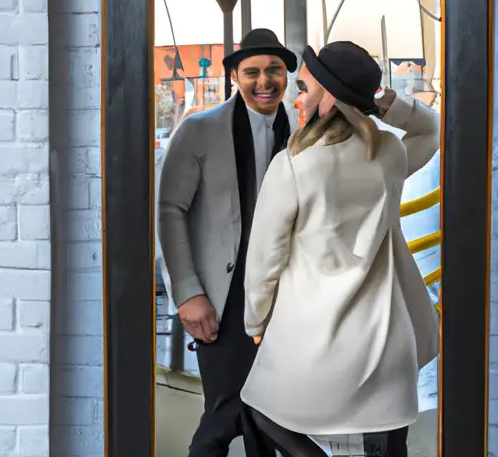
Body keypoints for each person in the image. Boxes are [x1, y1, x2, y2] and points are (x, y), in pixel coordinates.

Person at [240, 41, 440, 457]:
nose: (296, 99)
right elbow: (432, 128)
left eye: (304, 88)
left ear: (328, 97)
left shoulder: (293, 166)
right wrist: (382, 101)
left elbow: (264, 261)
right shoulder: (388, 155)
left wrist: (255, 323)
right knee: (385, 440)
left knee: (259, 410)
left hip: (313, 337)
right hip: (386, 338)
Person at [158, 28, 297, 457]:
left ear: (286, 76)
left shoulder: (300, 131)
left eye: (274, 69)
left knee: (273, 416)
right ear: (236, 75)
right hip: (223, 296)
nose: (265, 80)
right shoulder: (198, 130)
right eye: (252, 71)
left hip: (284, 295)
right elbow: (169, 210)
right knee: (225, 410)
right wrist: (187, 293)